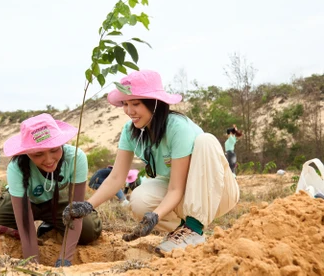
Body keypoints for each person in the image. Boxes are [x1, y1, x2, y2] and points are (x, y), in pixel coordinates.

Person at [63, 70, 240, 255]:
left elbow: (176, 189)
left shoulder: (177, 127)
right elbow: (116, 177)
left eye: (136, 104)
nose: (129, 111)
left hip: (217, 193)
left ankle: (193, 229)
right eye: (125, 104)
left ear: (154, 103)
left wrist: (156, 215)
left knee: (206, 140)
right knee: (139, 199)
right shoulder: (130, 131)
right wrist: (87, 205)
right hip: (186, 197)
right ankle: (182, 232)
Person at [0, 113, 102, 267]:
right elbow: (26, 225)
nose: (48, 159)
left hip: (56, 202)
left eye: (54, 150)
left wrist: (64, 260)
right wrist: (33, 265)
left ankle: (50, 225)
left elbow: (76, 210)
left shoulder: (76, 158)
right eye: (38, 154)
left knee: (89, 231)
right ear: (27, 152)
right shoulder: (16, 167)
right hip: (25, 203)